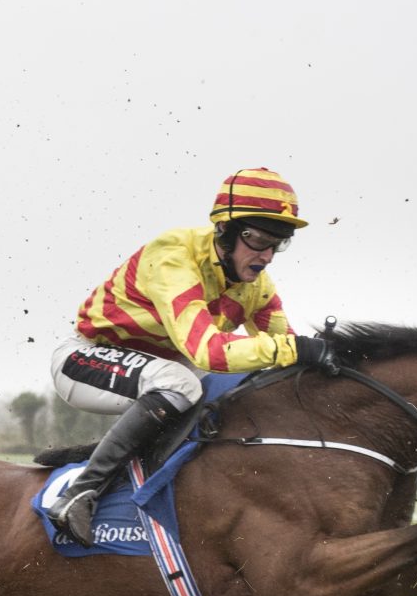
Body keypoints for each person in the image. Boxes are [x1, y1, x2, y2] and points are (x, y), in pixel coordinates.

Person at [44, 167, 338, 546]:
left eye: (277, 244)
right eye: (258, 240)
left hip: (158, 372)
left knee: (233, 389)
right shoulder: (173, 256)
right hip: (86, 359)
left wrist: (332, 357)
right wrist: (295, 349)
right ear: (225, 230)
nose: (265, 256)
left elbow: (285, 347)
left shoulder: (256, 286)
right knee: (184, 382)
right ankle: (79, 495)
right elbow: (210, 352)